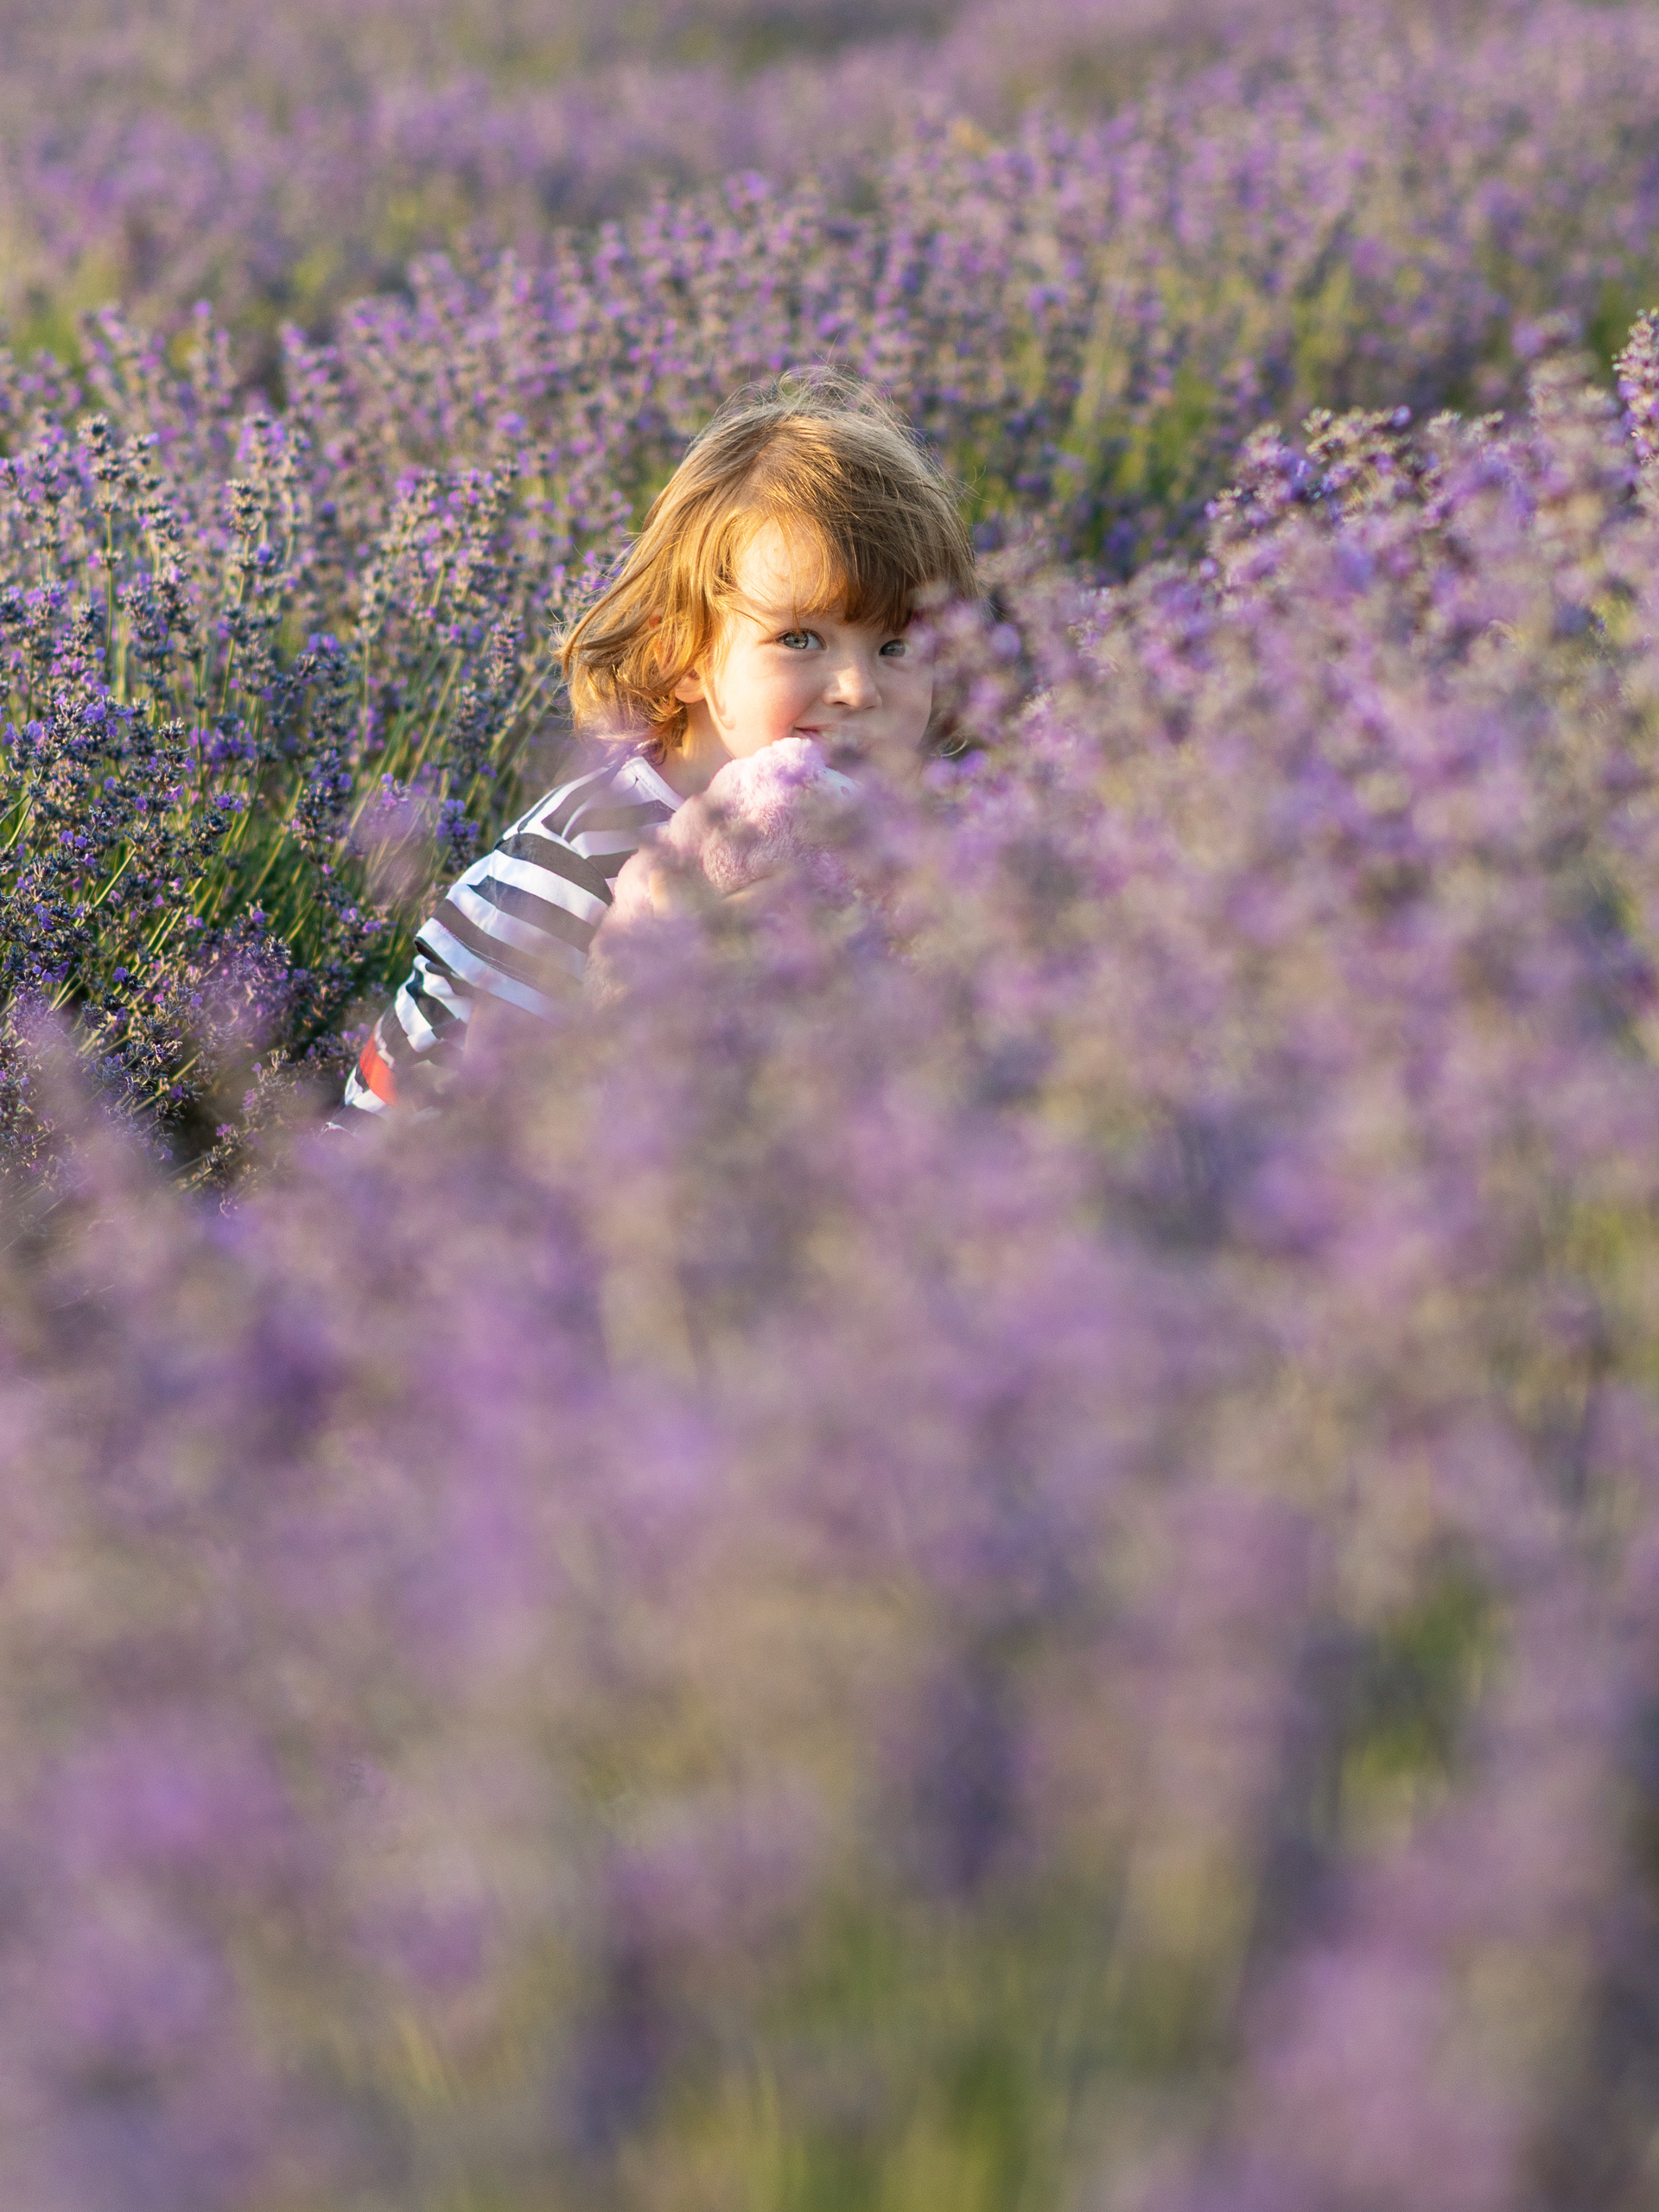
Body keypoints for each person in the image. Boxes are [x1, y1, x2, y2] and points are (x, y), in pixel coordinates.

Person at [342, 371, 976, 1116]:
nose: (858, 690)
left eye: (897, 647)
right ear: (681, 656)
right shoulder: (578, 855)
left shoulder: (905, 832)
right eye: (800, 639)